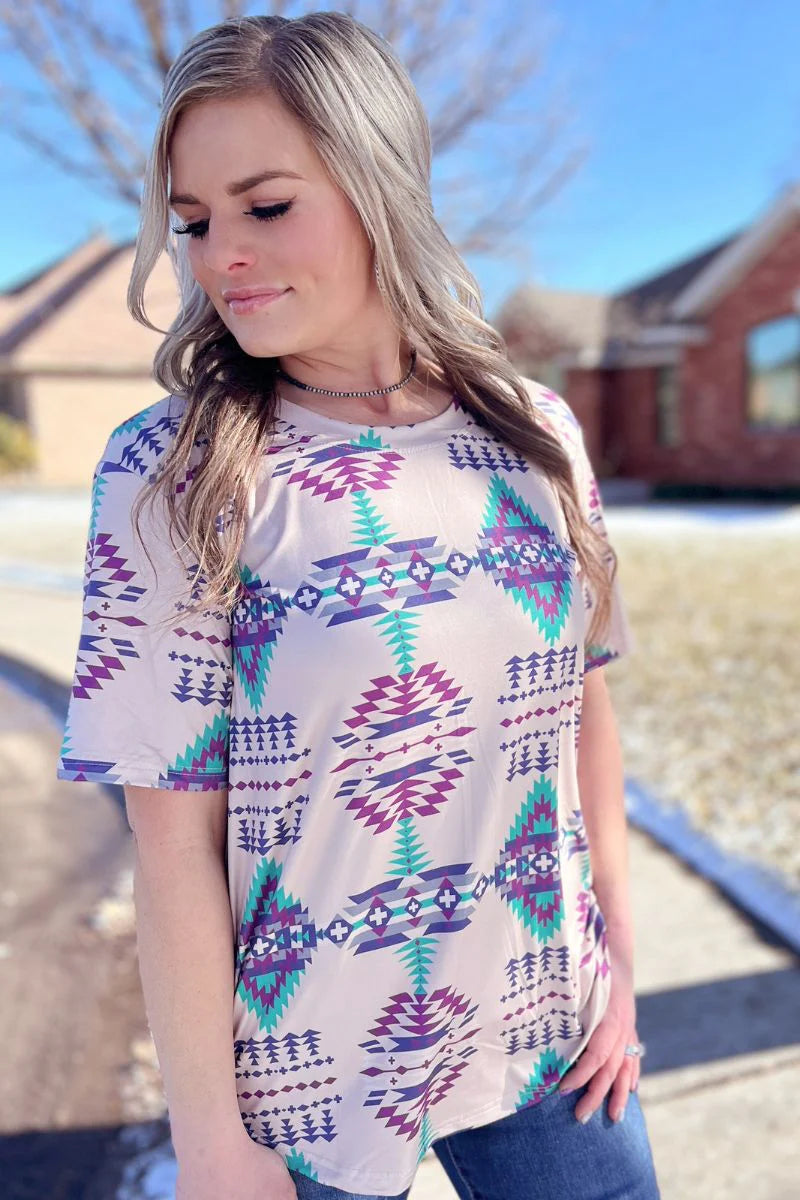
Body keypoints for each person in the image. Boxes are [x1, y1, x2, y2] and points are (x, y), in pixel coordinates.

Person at [57, 11, 661, 1200]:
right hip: (303, 1092)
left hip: (550, 1038)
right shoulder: (171, 473)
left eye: (266, 205)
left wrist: (621, 972)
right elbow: (171, 842)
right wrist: (213, 1144)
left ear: (379, 184)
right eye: (193, 221)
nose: (220, 255)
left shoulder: (534, 434)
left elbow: (579, 713)